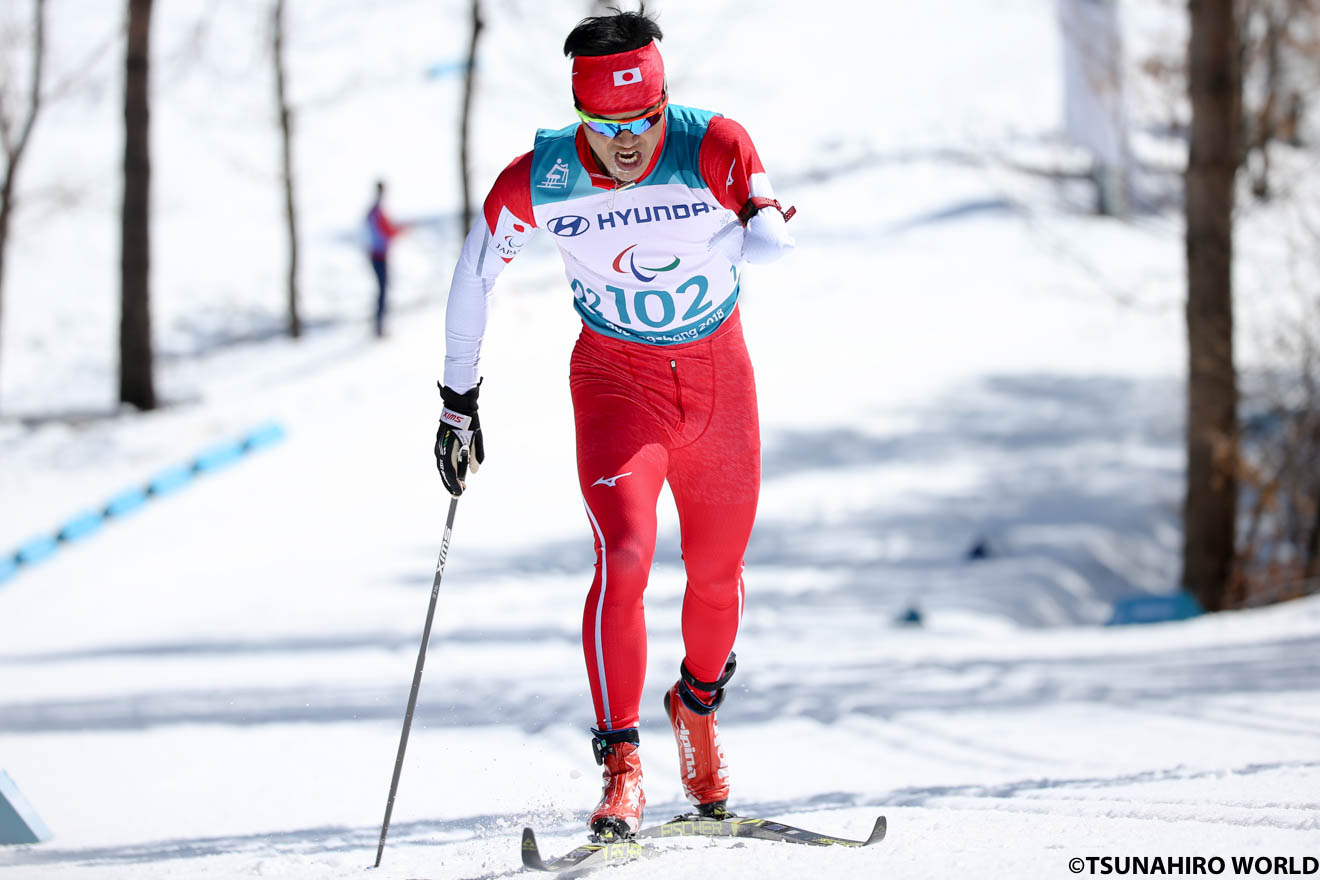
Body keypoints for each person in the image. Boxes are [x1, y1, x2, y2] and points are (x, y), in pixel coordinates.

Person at [433, 4, 794, 840]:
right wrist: (458, 400)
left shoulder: (714, 144)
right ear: (578, 115)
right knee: (624, 555)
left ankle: (695, 708)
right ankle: (622, 766)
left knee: (716, 574)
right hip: (616, 383)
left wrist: (735, 241)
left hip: (717, 384)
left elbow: (773, 237)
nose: (627, 144)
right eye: (605, 127)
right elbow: (474, 273)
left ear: (665, 104)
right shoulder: (542, 178)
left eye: (643, 121)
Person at [366, 181, 405, 337]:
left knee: (382, 289)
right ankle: (379, 327)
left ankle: (379, 325)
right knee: (382, 290)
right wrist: (401, 229)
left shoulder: (372, 210)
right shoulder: (378, 211)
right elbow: (387, 231)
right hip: (379, 256)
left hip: (376, 254)